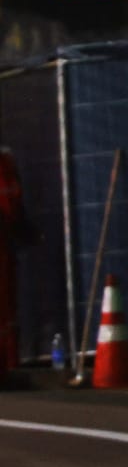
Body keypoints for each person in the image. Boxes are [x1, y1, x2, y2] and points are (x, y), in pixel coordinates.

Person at [0, 146, 21, 373]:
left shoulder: (5, 162)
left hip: (4, 243)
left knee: (6, 305)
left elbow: (13, 202)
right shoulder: (5, 162)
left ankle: (8, 362)